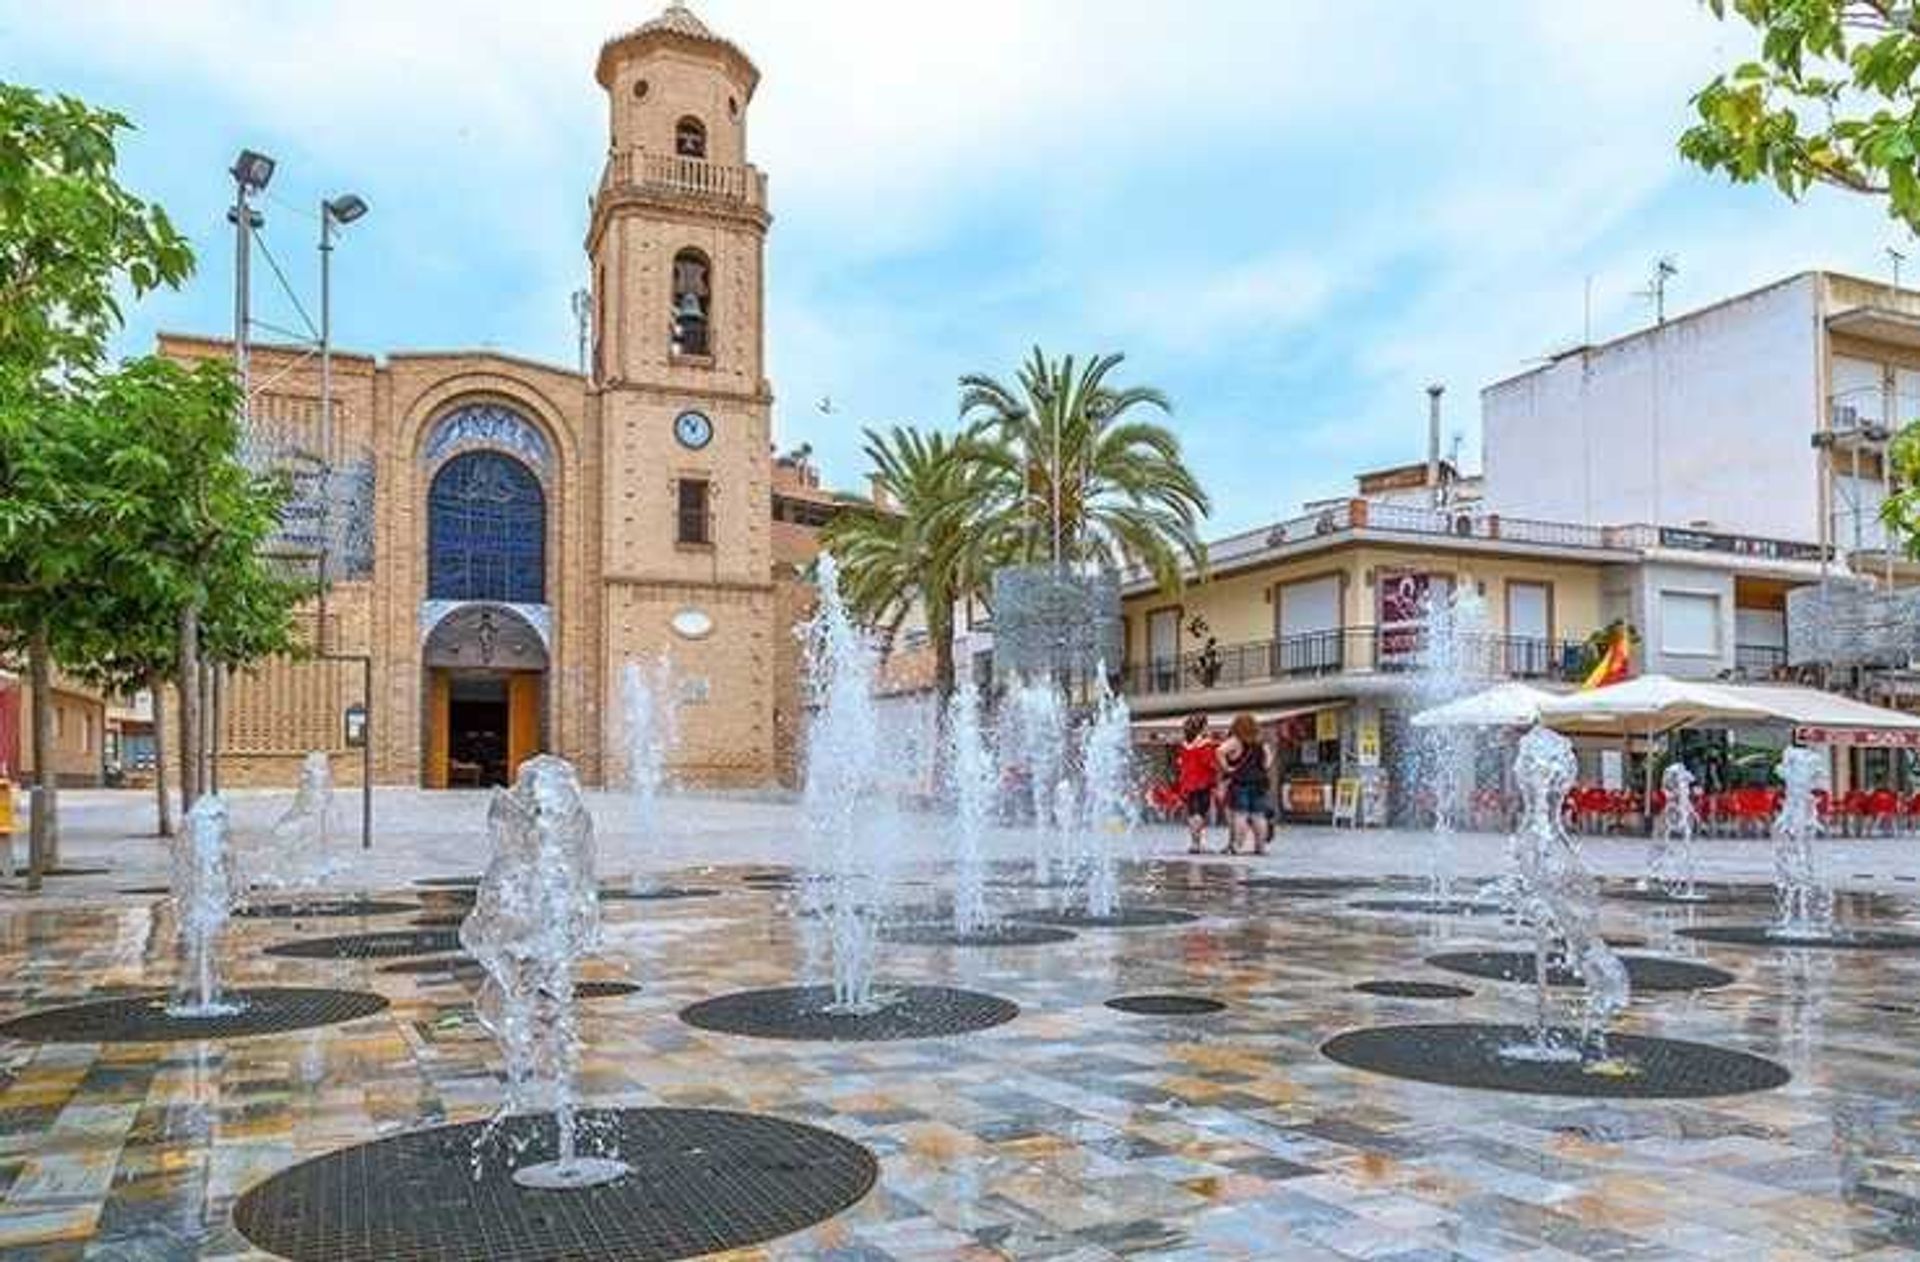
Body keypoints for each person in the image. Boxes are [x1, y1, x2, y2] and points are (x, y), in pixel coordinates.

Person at [1218, 713, 1273, 855]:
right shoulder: (1261, 742)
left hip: (1240, 782)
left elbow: (1219, 751)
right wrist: (1261, 769)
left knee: (1240, 815)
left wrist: (1227, 767)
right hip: (1259, 783)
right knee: (1259, 816)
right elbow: (1268, 762)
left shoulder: (1236, 741)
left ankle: (1237, 846)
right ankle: (1260, 847)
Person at [1173, 714, 1219, 854]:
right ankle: (1196, 843)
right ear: (1202, 727)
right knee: (1200, 812)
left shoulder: (1183, 745)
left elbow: (1179, 762)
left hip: (1187, 782)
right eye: (1206, 726)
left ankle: (1195, 842)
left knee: (1192, 812)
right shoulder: (1205, 745)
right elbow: (1210, 764)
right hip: (1202, 782)